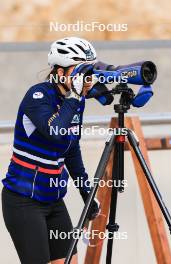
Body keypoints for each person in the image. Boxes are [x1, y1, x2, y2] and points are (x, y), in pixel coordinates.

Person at [1, 37, 100, 264]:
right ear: (59, 72)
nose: (86, 79)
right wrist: (74, 96)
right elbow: (55, 131)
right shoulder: (37, 96)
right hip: (24, 201)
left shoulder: (76, 102)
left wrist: (86, 192)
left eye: (90, 71)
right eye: (81, 71)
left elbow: (72, 149)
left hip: (54, 201)